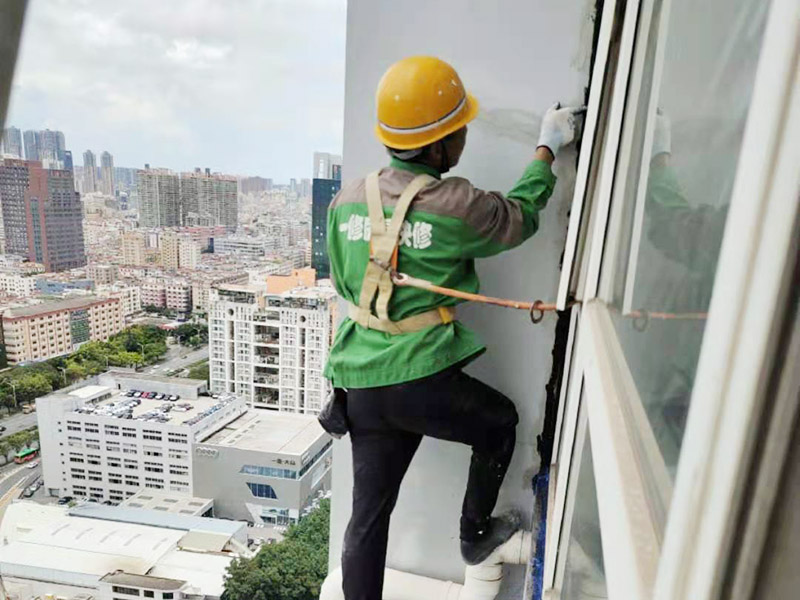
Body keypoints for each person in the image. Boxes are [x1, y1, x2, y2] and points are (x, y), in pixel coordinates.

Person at [323, 55, 582, 600]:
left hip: (362, 388)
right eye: (457, 128)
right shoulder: (456, 203)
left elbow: (347, 289)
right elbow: (518, 216)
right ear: (439, 146)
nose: (463, 135)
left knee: (367, 520)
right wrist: (545, 149)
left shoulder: (347, 200)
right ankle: (473, 536)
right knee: (499, 423)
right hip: (420, 382)